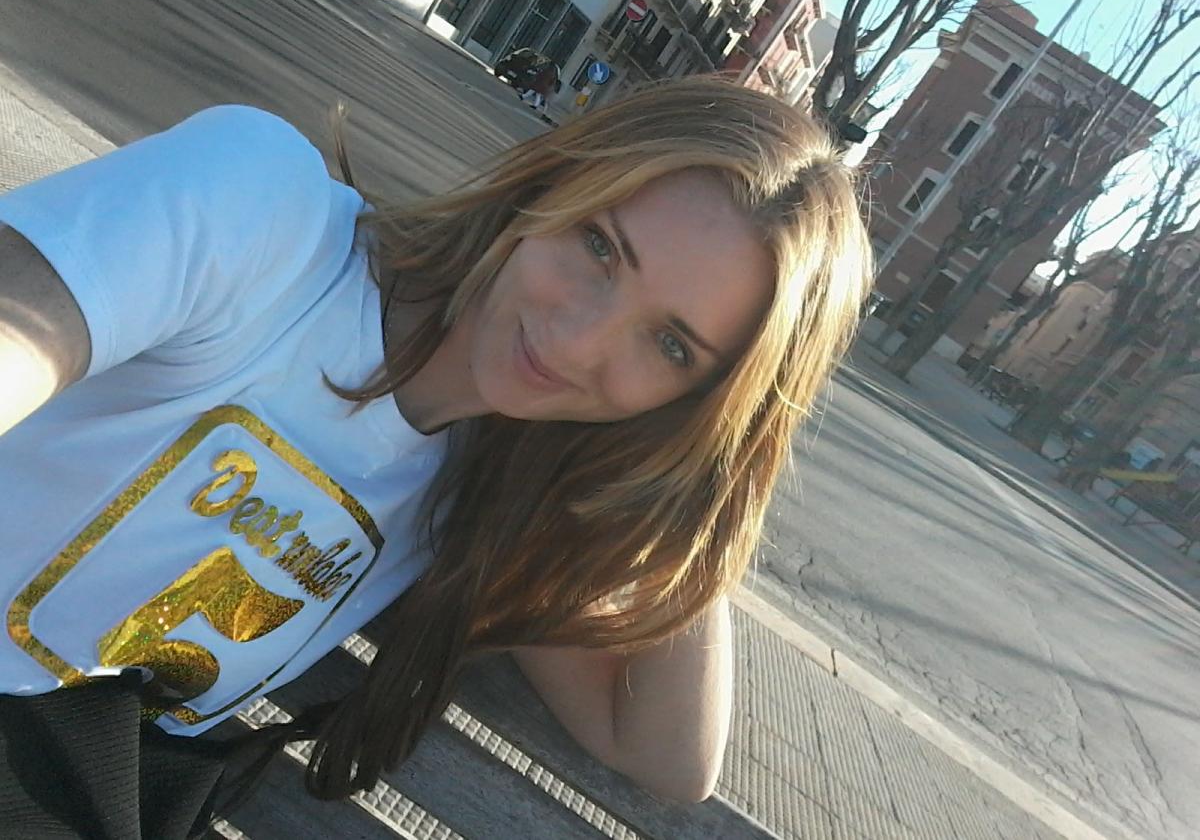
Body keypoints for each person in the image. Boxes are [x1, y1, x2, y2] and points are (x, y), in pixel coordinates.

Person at [0, 75, 873, 836]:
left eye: (671, 346)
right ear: (553, 183)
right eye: (599, 246)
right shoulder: (262, 215)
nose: (578, 341)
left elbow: (667, 757)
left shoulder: (482, 499)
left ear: (692, 407)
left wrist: (706, 489)